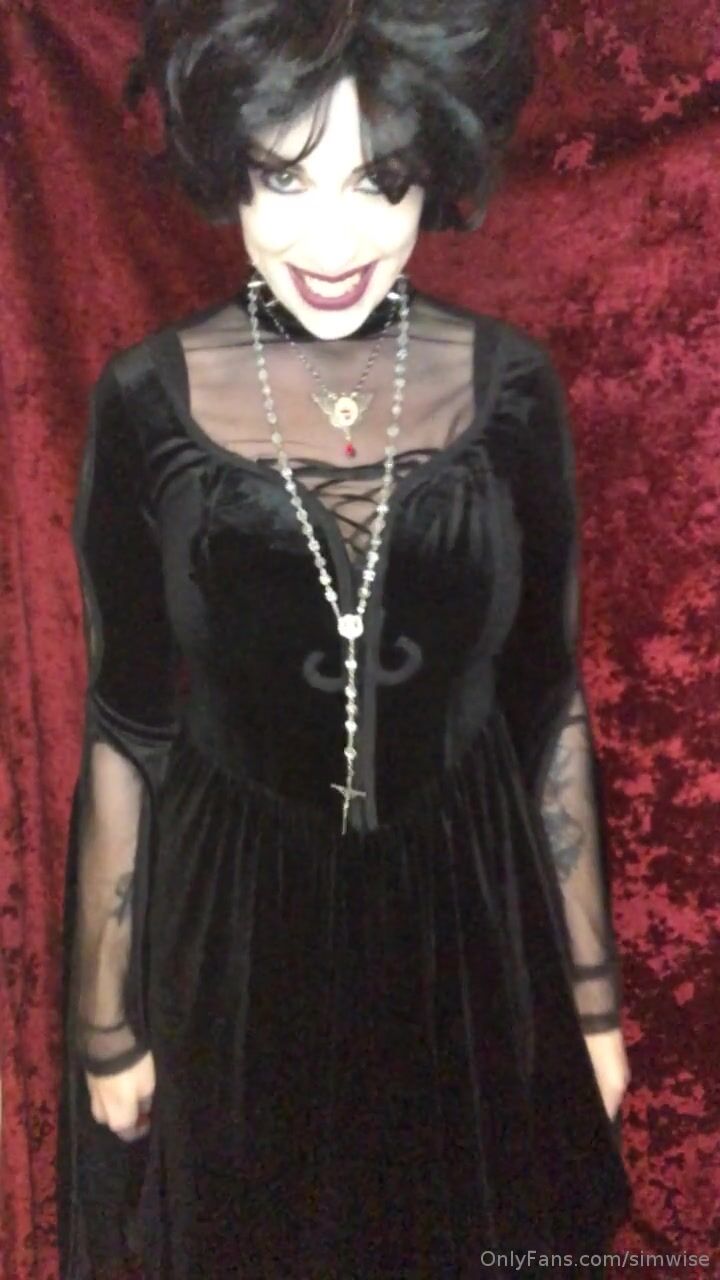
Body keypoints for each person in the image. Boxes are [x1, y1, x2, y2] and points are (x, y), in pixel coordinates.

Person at [57, 1, 632, 1276]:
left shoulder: (512, 387)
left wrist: (590, 1003)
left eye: (381, 180)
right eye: (284, 175)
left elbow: (548, 702)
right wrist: (107, 1023)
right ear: (226, 166)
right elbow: (127, 723)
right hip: (236, 944)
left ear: (438, 166)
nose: (331, 241)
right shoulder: (145, 398)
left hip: (468, 932)